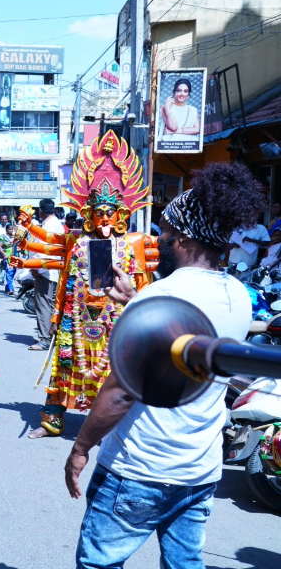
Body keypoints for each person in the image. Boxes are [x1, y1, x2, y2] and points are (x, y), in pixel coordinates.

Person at [65, 161, 263, 568]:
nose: (160, 242)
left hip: (140, 468)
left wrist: (81, 446)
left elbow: (121, 392)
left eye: (165, 235)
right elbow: (181, 346)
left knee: (99, 563)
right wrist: (132, 304)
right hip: (200, 469)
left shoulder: (159, 296)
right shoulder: (239, 296)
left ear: (184, 239)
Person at [13, 131, 158, 439]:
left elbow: (144, 287)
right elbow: (62, 276)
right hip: (76, 319)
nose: (104, 218)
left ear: (119, 215)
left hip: (115, 321)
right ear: (90, 215)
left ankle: (116, 426)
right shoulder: (77, 242)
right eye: (99, 213)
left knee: (116, 373)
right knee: (63, 367)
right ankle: (52, 422)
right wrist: (55, 316)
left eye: (110, 212)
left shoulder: (133, 244)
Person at [28, 198, 65, 351]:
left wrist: (36, 268)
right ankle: (51, 337)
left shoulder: (47, 226)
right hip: (54, 270)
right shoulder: (58, 224)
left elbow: (42, 249)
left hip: (46, 270)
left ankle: (44, 339)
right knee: (50, 304)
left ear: (40, 211)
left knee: (43, 304)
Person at [0, 223, 16, 294]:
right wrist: (4, 255)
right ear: (6, 230)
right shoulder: (3, 237)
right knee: (9, 272)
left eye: (12, 229)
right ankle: (10, 289)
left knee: (13, 272)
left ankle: (7, 287)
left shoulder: (14, 237)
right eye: (10, 229)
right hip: (7, 257)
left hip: (14, 257)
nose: (11, 231)